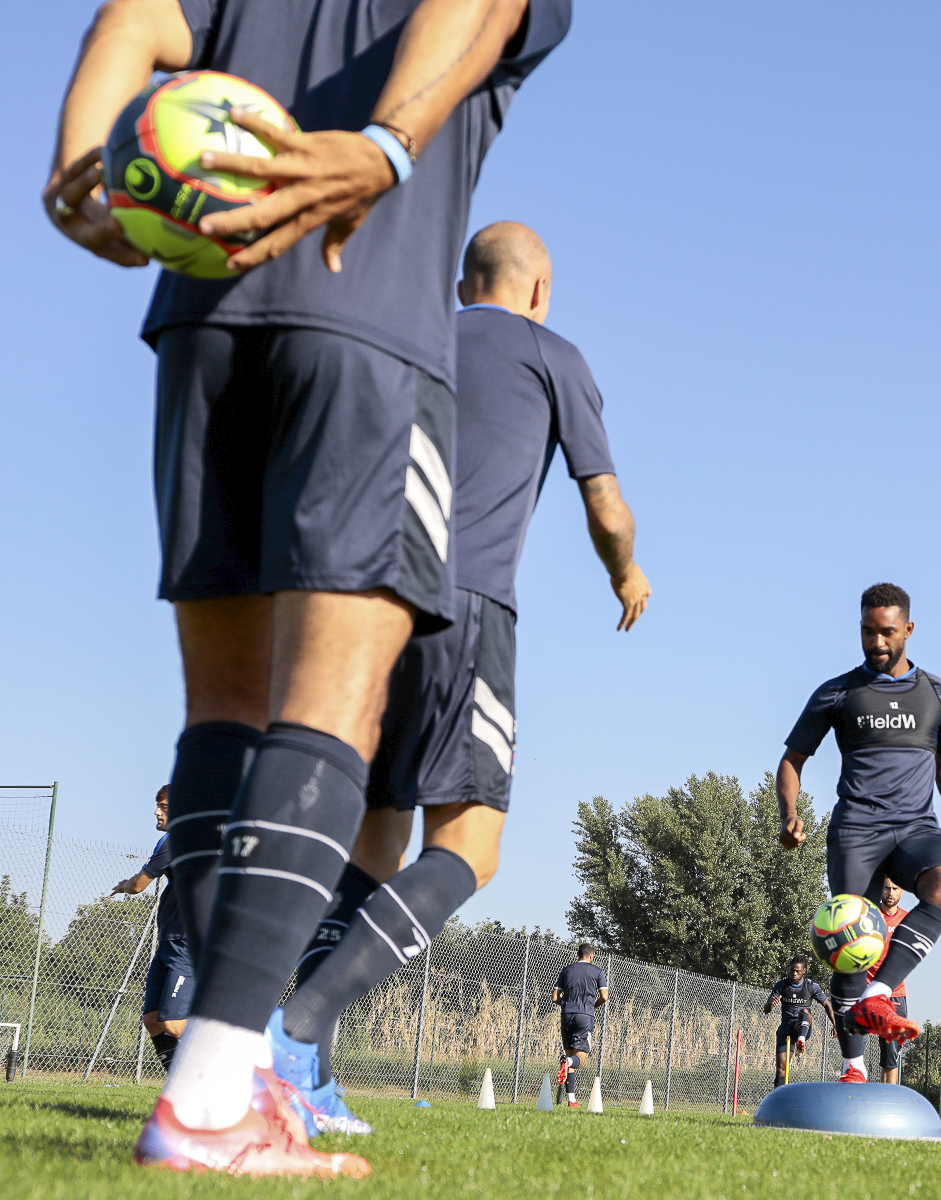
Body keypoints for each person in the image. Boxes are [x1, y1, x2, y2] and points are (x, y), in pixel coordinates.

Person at [44, 0, 574, 1175]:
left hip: (201, 315)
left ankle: (207, 1074)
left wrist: (81, 166)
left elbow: (127, 20)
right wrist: (385, 145)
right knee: (327, 707)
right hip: (366, 319)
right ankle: (213, 1098)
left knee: (221, 715)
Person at [264, 222, 648, 1136]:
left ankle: (304, 1077)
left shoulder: (406, 333)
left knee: (375, 840)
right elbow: (605, 506)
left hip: (362, 605)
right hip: (464, 607)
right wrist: (626, 572)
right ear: (538, 290)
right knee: (472, 846)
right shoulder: (552, 355)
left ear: (461, 283)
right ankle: (290, 1033)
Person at [778, 583, 941, 1083]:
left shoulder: (940, 695)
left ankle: (879, 994)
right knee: (851, 940)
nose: (877, 642)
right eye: (868, 631)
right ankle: (853, 1068)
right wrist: (789, 813)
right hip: (857, 829)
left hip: (916, 827)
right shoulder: (838, 693)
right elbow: (792, 760)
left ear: (908, 630)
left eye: (887, 632)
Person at [111, 786, 192, 1071]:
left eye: (164, 806)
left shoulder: (176, 839)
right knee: (153, 1019)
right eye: (158, 805)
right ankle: (181, 1082)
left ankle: (248, 1071)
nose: (157, 811)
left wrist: (123, 885)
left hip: (188, 944)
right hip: (170, 940)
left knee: (173, 1022)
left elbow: (138, 885)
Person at [763, 957, 835, 1088]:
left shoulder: (811, 986)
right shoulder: (781, 985)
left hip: (803, 1025)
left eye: (797, 971)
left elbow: (827, 1005)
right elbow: (766, 1010)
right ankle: (779, 1099)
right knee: (781, 1070)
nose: (794, 973)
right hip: (786, 1028)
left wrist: (835, 1025)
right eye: (792, 970)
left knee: (804, 1011)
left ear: (804, 971)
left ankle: (800, 1041)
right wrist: (771, 1003)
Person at [867, 878, 911, 1085]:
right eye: (886, 888)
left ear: (902, 891)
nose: (890, 893)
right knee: (854, 1051)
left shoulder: (908, 919)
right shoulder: (868, 916)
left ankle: (887, 1098)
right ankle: (852, 1099)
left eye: (895, 888)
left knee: (890, 1057)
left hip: (895, 995)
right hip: (867, 992)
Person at [553, 944, 608, 1107]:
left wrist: (566, 1005)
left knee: (569, 1055)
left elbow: (555, 997)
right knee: (579, 1061)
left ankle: (571, 1100)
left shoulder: (566, 970)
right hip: (584, 1016)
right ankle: (568, 1063)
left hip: (567, 1014)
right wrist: (591, 1007)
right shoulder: (597, 971)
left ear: (578, 954)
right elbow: (604, 996)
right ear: (591, 956)